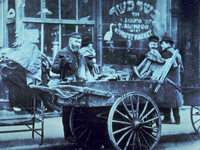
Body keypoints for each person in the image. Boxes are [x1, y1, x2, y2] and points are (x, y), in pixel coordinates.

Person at [51, 32, 92, 142]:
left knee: (78, 111)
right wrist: (62, 64)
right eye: (76, 41)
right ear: (70, 41)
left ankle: (76, 133)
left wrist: (91, 78)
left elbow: (85, 70)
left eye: (79, 42)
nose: (77, 44)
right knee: (67, 110)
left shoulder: (80, 54)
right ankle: (67, 134)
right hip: (68, 86)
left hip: (80, 85)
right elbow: (53, 69)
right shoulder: (62, 52)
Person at [159, 36, 184, 124]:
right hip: (175, 80)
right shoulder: (177, 53)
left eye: (163, 43)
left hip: (168, 80)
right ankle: (177, 119)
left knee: (167, 100)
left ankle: (167, 118)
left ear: (168, 44)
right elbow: (181, 69)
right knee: (175, 101)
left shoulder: (166, 53)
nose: (161, 45)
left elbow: (161, 67)